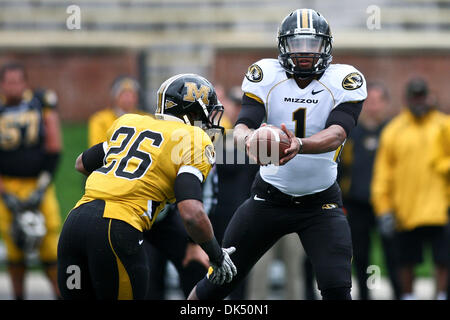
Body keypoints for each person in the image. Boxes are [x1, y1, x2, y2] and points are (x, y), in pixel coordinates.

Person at [188, 9, 367, 300]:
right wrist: (249, 141)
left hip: (320, 203)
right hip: (268, 198)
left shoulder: (345, 79)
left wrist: (300, 145)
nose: (306, 52)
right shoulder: (266, 74)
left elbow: (338, 133)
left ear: (327, 46)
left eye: (313, 44)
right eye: (298, 44)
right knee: (218, 279)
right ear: (284, 45)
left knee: (337, 289)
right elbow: (244, 124)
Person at [57, 73, 237, 299]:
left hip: (74, 225)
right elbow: (191, 213)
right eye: (208, 112)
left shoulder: (130, 122)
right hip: (117, 228)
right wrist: (216, 255)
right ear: (193, 112)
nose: (211, 120)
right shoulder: (193, 138)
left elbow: (81, 163)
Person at [371, 77, 449, 300]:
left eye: (422, 97)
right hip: (406, 210)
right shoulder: (394, 131)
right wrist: (383, 208)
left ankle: (441, 295)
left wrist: (442, 165)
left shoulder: (444, 125)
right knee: (406, 261)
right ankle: (408, 296)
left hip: (440, 208)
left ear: (429, 97)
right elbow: (383, 175)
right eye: (415, 97)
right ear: (406, 100)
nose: (419, 102)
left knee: (443, 259)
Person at [0, 62, 62, 299]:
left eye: (17, 81)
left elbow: (54, 147)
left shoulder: (40, 103)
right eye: (8, 81)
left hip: (38, 184)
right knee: (14, 245)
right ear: (2, 85)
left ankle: (59, 293)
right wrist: (4, 193)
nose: (13, 86)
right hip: (8, 185)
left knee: (49, 241)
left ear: (25, 83)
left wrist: (42, 187)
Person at [338, 82, 401, 299]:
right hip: (357, 204)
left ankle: (399, 293)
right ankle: (365, 295)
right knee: (361, 257)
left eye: (378, 101)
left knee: (394, 256)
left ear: (386, 104)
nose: (373, 107)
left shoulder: (394, 132)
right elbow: (340, 169)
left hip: (386, 206)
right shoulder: (351, 133)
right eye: (369, 102)